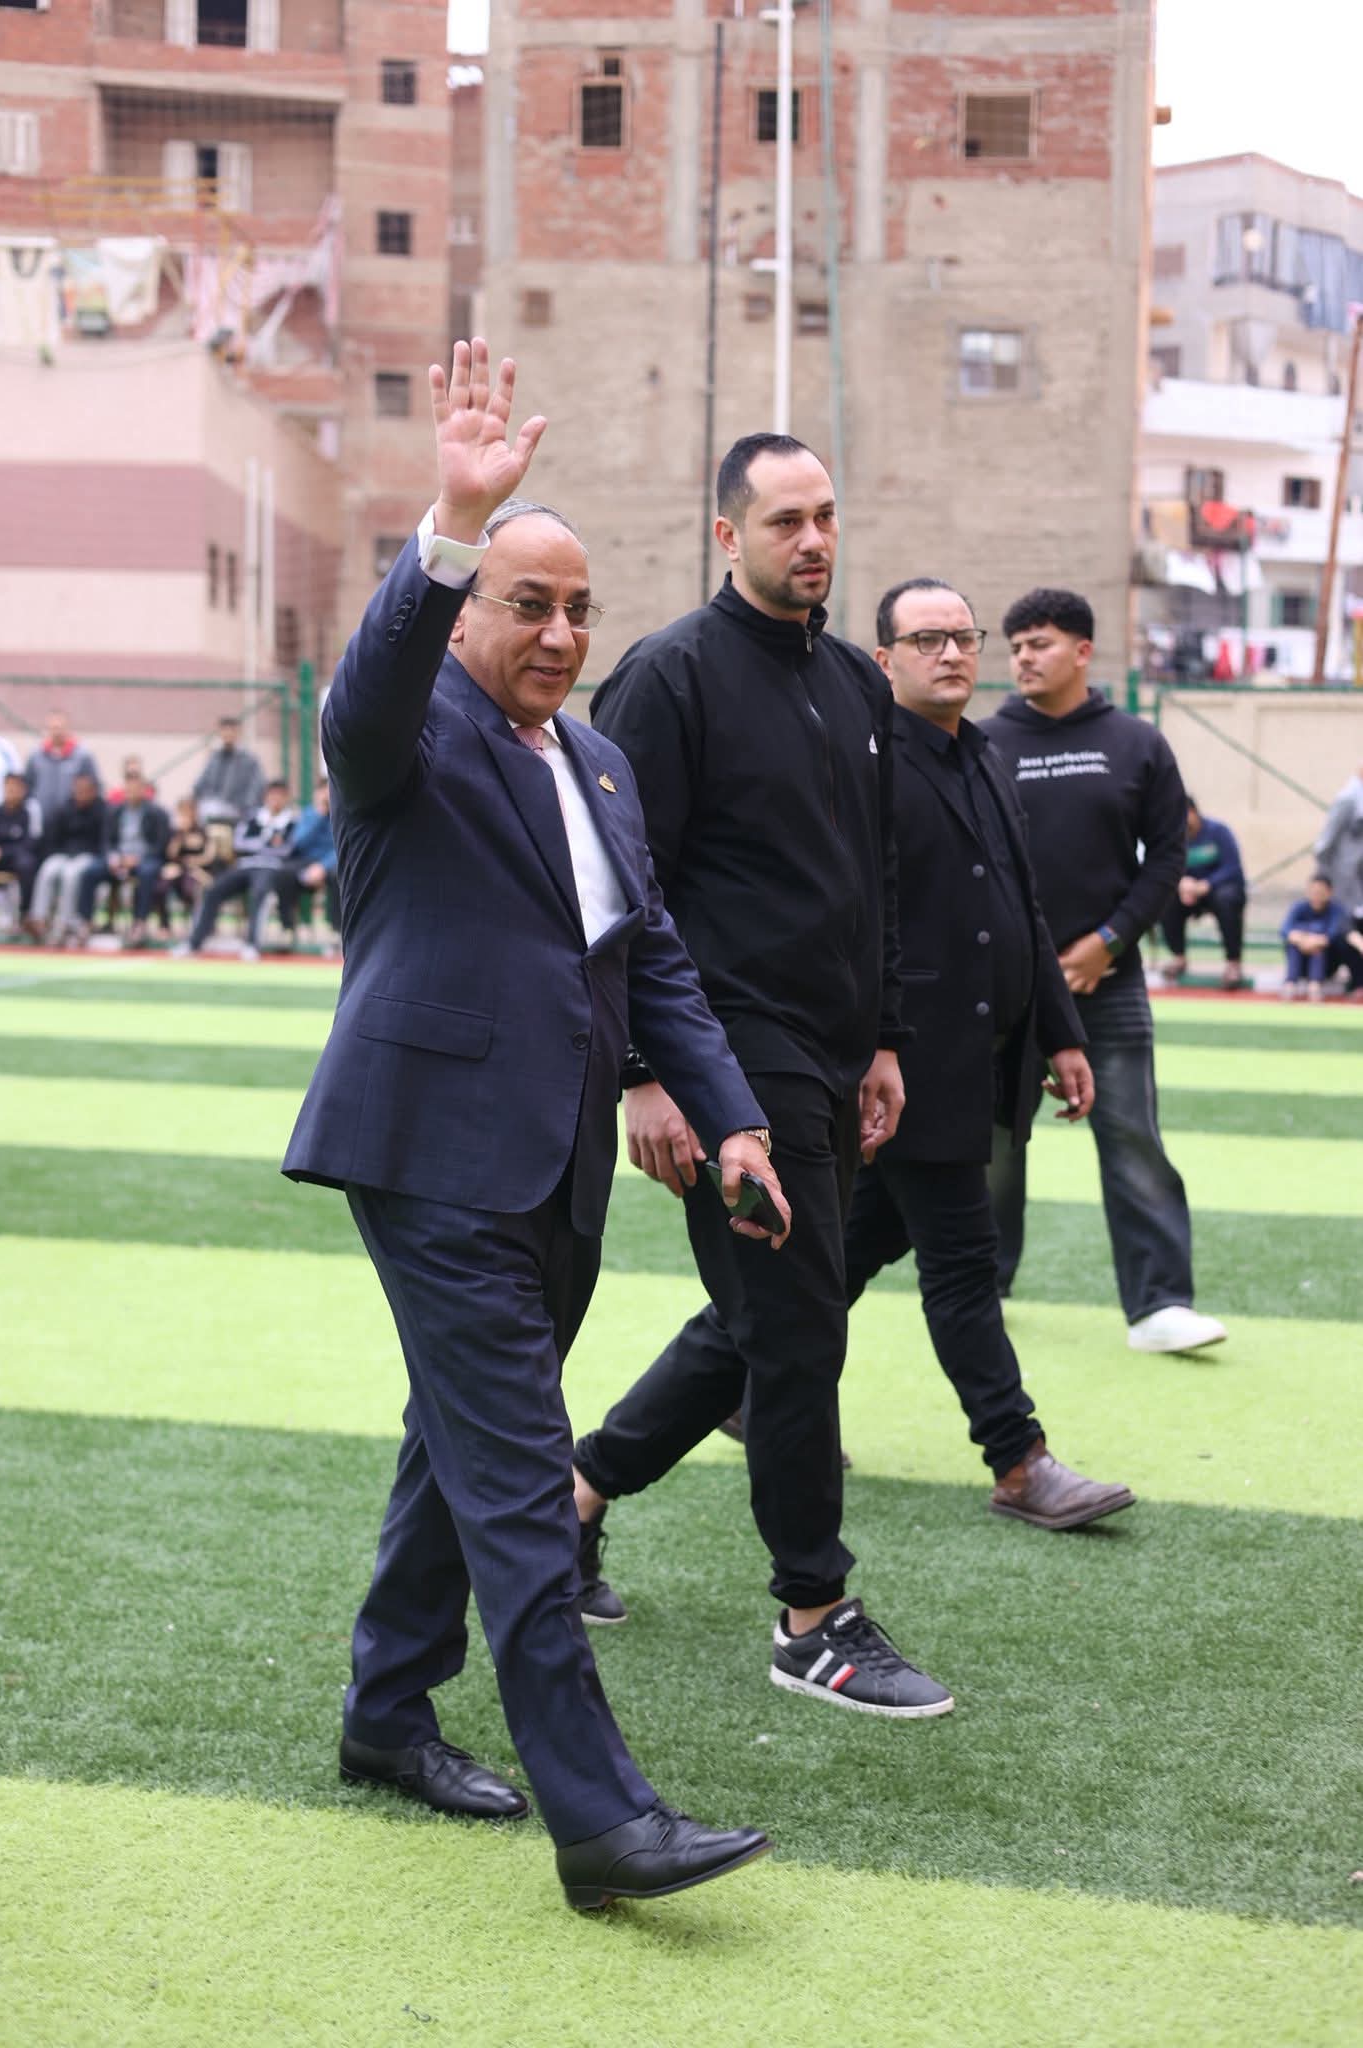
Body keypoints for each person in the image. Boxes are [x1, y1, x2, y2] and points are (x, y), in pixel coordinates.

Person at [282, 340, 785, 1913]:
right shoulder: (408, 732)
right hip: (427, 1154)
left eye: (579, 608)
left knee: (458, 1445)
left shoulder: (604, 765)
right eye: (527, 604)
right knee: (518, 1483)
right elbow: (362, 700)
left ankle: (385, 1712)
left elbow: (654, 963)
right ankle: (603, 1821)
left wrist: (735, 1124)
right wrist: (450, 520)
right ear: (468, 612)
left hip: (558, 1164)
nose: (561, 633)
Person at [570, 432, 956, 1721]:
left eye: (825, 515)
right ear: (728, 535)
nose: (814, 539)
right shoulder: (667, 675)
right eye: (785, 519)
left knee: (763, 1314)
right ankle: (812, 1616)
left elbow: (873, 876)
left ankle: (575, 1493)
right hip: (725, 1056)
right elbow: (618, 883)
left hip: (833, 1053)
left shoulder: (851, 681)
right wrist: (646, 1072)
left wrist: (884, 1036)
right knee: (795, 1326)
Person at [839, 578, 1133, 1530]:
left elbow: (1023, 909)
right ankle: (1018, 1459)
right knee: (964, 1264)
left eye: (963, 637)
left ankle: (736, 1384)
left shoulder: (986, 755)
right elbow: (864, 925)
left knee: (839, 1255)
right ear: (884, 661)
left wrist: (1061, 1032)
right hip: (912, 1066)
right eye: (926, 640)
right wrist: (878, 1046)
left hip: (984, 1058)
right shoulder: (869, 766)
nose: (951, 653)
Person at [981, 589, 1227, 1357]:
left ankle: (1159, 1306)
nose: (1024, 657)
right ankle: (981, 1289)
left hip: (1107, 982)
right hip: (1005, 986)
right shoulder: (982, 742)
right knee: (992, 1146)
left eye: (1041, 643)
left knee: (1132, 1139)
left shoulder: (1137, 743)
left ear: (1084, 651)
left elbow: (1168, 859)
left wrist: (1109, 943)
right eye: (1016, 645)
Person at [176, 780, 298, 960]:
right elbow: (239, 842)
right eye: (272, 795)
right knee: (213, 889)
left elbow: (288, 849)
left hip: (270, 867)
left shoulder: (292, 822)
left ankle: (252, 944)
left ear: (286, 798)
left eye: (280, 795)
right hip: (246, 865)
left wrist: (263, 847)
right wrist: (265, 843)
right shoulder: (252, 818)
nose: (275, 799)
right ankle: (194, 942)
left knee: (260, 892)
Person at [70, 763, 171, 947]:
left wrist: (137, 859)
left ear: (144, 790)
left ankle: (139, 923)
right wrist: (113, 857)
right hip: (118, 858)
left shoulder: (157, 813)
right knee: (89, 872)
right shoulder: (114, 812)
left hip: (144, 860)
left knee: (148, 873)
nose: (131, 792)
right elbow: (106, 841)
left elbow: (160, 845)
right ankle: (85, 921)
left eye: (136, 788)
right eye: (128, 788)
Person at [1160, 798, 1248, 989]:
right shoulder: (1173, 836)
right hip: (1187, 891)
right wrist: (1181, 884)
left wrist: (1206, 885)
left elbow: (1232, 867)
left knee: (1227, 899)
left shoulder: (1219, 832)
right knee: (1165, 900)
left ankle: (1233, 963)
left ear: (1193, 812)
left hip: (1218, 889)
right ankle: (1179, 957)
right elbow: (1164, 866)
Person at [26, 771, 106, 944]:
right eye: (77, 789)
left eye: (85, 790)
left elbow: (102, 841)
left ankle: (64, 922)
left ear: (93, 791)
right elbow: (53, 838)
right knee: (48, 869)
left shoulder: (101, 810)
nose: (80, 793)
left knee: (71, 874)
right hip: (63, 854)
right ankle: (39, 918)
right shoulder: (64, 808)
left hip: (88, 855)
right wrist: (57, 853)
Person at [270, 779, 339, 946]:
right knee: (283, 874)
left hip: (329, 864)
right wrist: (319, 815)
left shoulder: (340, 815)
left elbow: (340, 848)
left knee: (338, 877)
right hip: (305, 862)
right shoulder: (308, 814)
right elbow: (298, 842)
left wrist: (322, 867)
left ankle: (337, 930)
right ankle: (287, 928)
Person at [1279, 874, 1354, 1000]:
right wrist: (1303, 940)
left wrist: (1315, 941)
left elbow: (1332, 935)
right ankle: (1290, 983)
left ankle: (1315, 985)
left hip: (1327, 963)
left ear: (1329, 892)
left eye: (1320, 892)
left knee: (1317, 945)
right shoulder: (1299, 907)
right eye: (1313, 892)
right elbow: (1285, 930)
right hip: (1300, 959)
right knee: (1296, 940)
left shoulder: (1336, 910)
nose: (1316, 896)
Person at [25, 710, 99, 823]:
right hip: (43, 820)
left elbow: (94, 785)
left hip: (73, 822)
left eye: (60, 728)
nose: (57, 732)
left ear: (67, 729)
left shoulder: (82, 756)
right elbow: (27, 786)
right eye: (53, 728)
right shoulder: (36, 756)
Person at [152, 796, 212, 934]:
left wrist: (193, 862)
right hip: (178, 869)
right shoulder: (175, 833)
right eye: (182, 812)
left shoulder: (202, 831)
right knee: (160, 888)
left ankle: (198, 926)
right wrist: (180, 836)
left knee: (189, 889)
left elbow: (208, 856)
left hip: (197, 870)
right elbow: (170, 854)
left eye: (188, 811)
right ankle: (164, 925)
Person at [193, 715, 265, 826]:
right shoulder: (214, 757)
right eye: (224, 730)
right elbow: (201, 783)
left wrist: (245, 806)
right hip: (213, 806)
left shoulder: (249, 759)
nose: (228, 734)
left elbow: (257, 786)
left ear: (238, 732)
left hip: (238, 809)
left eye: (231, 730)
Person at [1312, 764, 1363, 917]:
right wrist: (1324, 870)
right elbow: (1327, 838)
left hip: (1356, 869)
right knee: (1342, 912)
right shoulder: (1348, 798)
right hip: (1340, 869)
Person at [0, 770, 43, 919]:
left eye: (15, 786)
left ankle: (25, 914)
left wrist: (4, 852)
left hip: (19, 858)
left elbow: (31, 843)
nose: (11, 790)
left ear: (23, 789)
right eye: (8, 786)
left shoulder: (31, 811)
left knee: (27, 864)